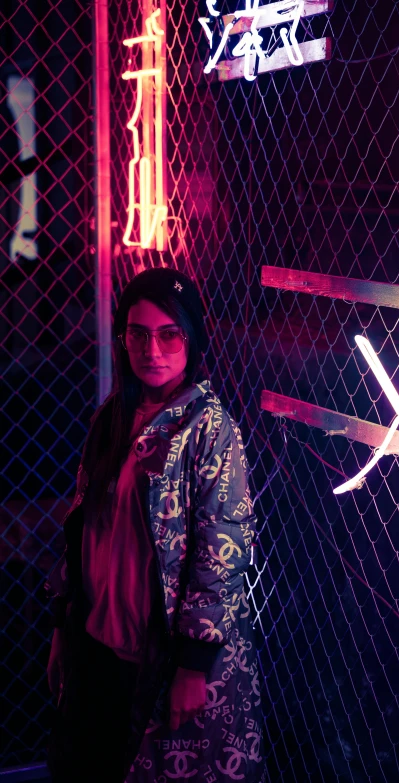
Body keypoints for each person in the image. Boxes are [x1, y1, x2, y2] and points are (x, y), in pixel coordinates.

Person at [45, 266, 265, 783]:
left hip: (162, 658)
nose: (153, 349)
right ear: (122, 340)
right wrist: (64, 622)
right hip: (98, 644)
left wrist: (193, 663)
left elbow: (222, 551)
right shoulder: (113, 417)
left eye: (170, 335)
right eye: (138, 334)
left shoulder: (209, 430)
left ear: (191, 340)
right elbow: (82, 527)